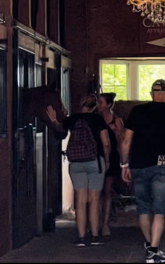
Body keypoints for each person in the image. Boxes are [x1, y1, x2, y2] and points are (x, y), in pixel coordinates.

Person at [121, 79, 165, 264]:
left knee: (143, 208)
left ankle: (151, 246)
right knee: (160, 210)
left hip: (138, 165)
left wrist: (124, 164)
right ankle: (154, 250)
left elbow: (126, 141)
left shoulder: (137, 111)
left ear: (152, 94)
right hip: (162, 166)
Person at [47, 94, 111, 248]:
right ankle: (95, 236)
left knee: (80, 201)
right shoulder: (98, 119)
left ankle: (81, 237)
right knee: (95, 200)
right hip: (95, 161)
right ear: (95, 106)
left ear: (81, 103)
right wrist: (107, 160)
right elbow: (106, 143)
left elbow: (60, 130)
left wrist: (54, 120)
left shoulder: (72, 119)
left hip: (76, 163)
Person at [97, 92, 125, 239]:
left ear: (108, 105)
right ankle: (95, 222)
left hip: (112, 157)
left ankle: (105, 224)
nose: (98, 105)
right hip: (96, 156)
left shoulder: (116, 120)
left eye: (101, 102)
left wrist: (124, 161)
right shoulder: (95, 118)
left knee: (107, 191)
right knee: (96, 192)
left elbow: (122, 141)